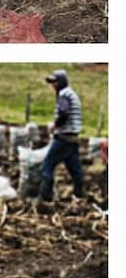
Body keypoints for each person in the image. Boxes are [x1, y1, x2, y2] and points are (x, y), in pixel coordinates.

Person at [40, 69, 85, 201]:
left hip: (63, 138)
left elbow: (64, 112)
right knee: (75, 169)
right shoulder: (72, 94)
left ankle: (44, 198)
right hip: (73, 138)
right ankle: (79, 195)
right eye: (52, 82)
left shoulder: (64, 95)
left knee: (47, 165)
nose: (53, 85)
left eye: (55, 82)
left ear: (62, 82)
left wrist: (55, 125)